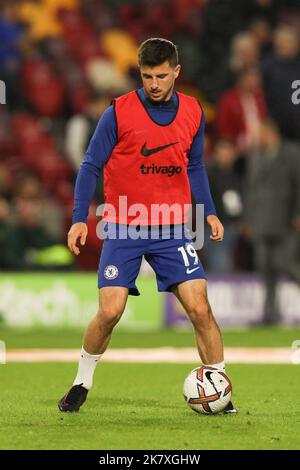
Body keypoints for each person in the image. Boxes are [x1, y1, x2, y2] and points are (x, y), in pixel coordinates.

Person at [58, 38, 237, 414]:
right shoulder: (118, 112)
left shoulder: (193, 111)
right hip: (123, 224)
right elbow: (90, 165)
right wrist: (78, 219)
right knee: (110, 311)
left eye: (160, 76)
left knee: (200, 308)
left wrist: (209, 211)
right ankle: (81, 381)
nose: (153, 84)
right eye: (146, 77)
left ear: (176, 72)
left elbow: (196, 166)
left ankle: (220, 390)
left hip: (172, 228)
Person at [244, 120, 300, 324]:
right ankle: (270, 314)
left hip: (286, 222)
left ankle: (272, 313)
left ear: (272, 134)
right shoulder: (256, 156)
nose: (259, 138)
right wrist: (248, 220)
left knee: (287, 265)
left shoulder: (291, 154)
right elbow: (250, 190)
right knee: (265, 269)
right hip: (261, 223)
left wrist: (298, 213)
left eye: (262, 134)